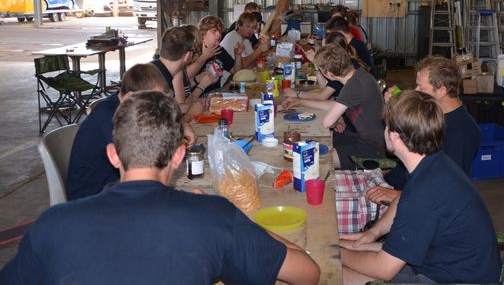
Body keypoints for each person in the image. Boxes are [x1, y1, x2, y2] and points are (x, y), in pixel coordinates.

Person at [1, 91, 320, 285]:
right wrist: (238, 221)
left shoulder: (52, 224)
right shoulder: (213, 217)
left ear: (113, 155)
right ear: (179, 155)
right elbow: (308, 273)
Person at [339, 90, 501, 284]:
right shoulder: (433, 161)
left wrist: (335, 254)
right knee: (351, 248)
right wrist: (373, 233)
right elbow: (402, 198)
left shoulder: (423, 195)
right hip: (450, 262)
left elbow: (384, 269)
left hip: (459, 278)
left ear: (395, 136)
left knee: (334, 272)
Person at [368, 54, 482, 205]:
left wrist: (396, 195)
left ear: (441, 90)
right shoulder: (435, 114)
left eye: (421, 87)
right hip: (401, 181)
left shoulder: (461, 133)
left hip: (412, 197)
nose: (416, 90)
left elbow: (449, 191)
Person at [66, 64, 172, 200]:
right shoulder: (109, 117)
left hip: (112, 182)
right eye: (152, 102)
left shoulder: (126, 108)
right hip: (92, 195)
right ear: (130, 96)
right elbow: (142, 160)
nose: (157, 108)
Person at [303, 44, 386, 169]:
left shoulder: (353, 86)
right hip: (365, 139)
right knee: (314, 142)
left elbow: (327, 123)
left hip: (373, 149)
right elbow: (336, 107)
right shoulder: (359, 75)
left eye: (320, 70)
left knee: (313, 158)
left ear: (329, 74)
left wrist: (335, 120)